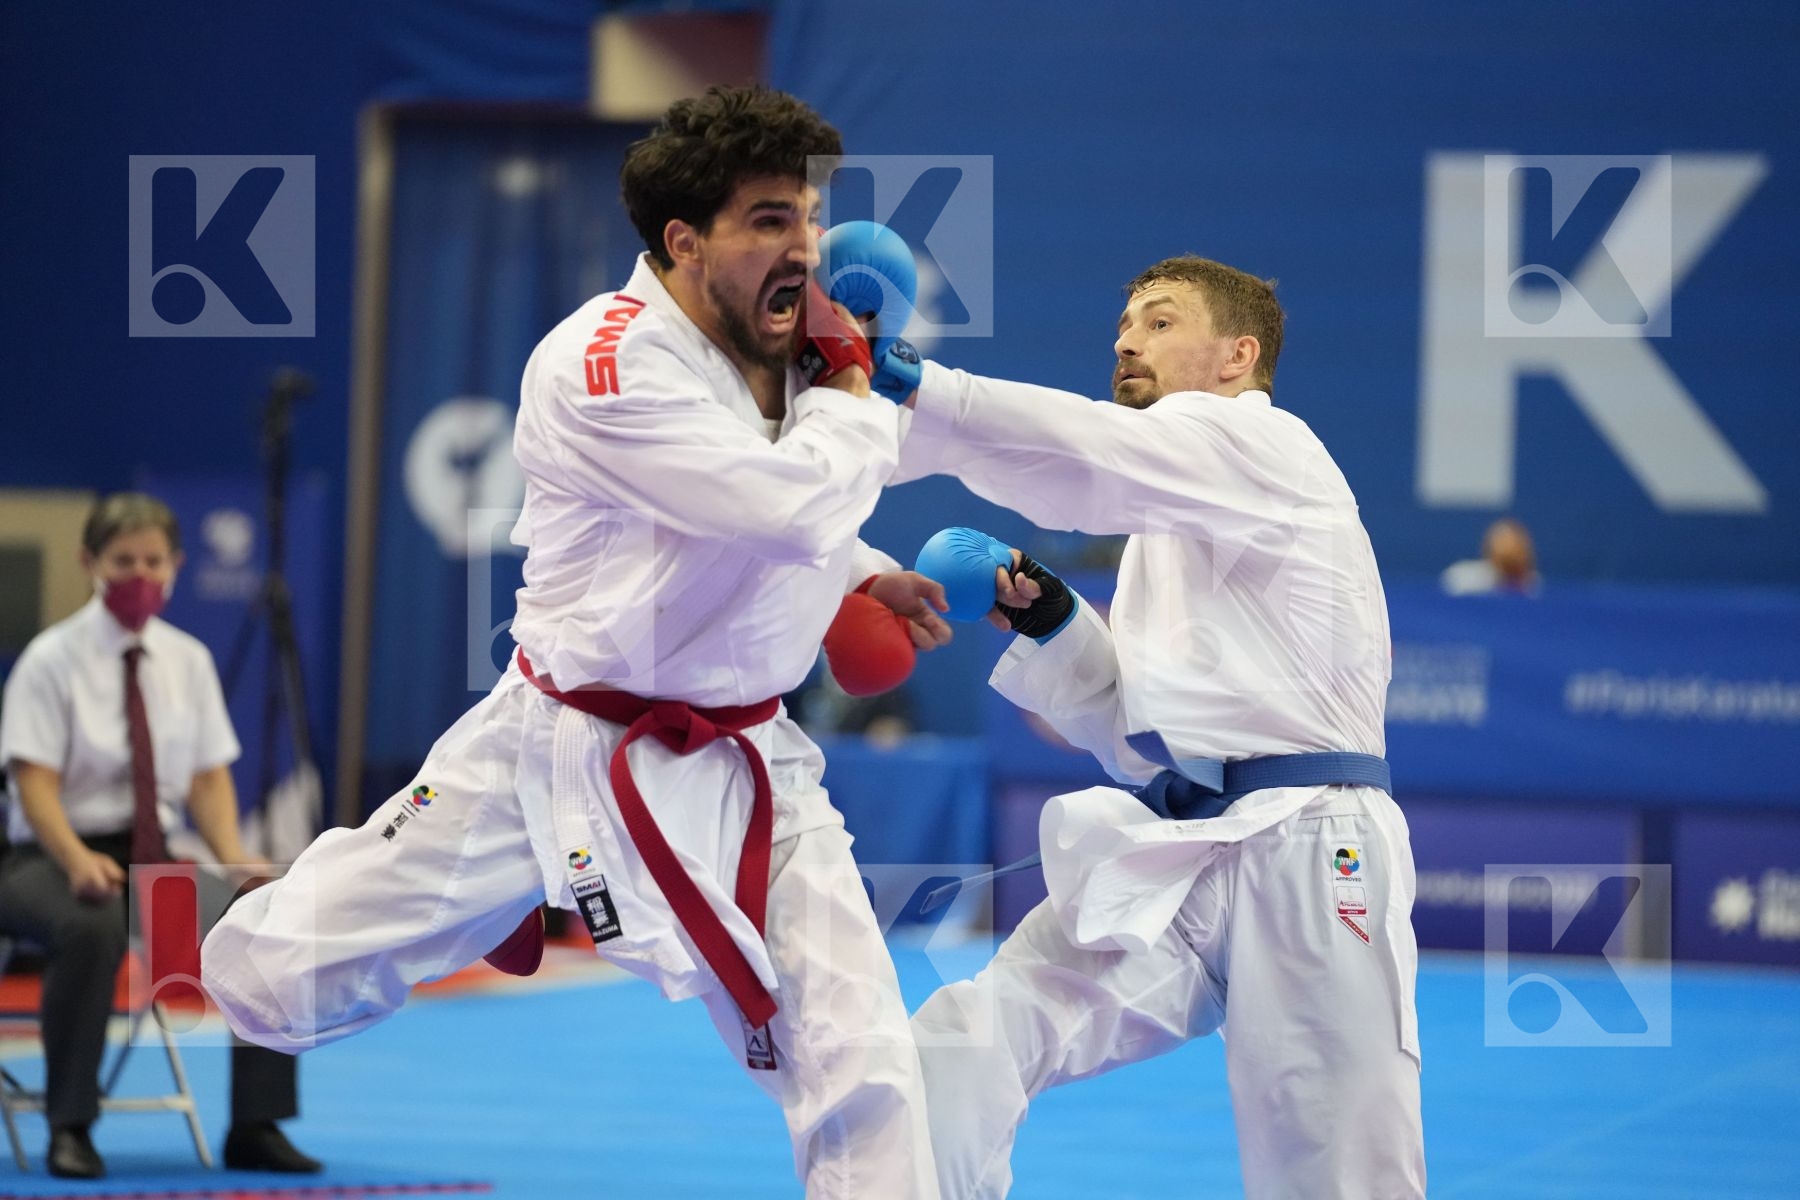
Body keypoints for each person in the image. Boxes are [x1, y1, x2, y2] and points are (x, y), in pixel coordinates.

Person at [201, 86, 950, 1199]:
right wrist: (852, 387)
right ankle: (490, 893)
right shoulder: (602, 368)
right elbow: (781, 505)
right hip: (559, 751)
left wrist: (863, 566)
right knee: (276, 975)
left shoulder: (789, 344)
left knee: (864, 1058)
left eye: (805, 215)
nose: (805, 249)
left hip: (754, 768)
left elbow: (774, 525)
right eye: (767, 222)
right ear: (683, 242)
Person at [886, 255, 1425, 1198]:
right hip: (1188, 850)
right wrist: (1056, 623)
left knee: (1334, 1163)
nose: (1127, 339)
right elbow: (1135, 736)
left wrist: (920, 390)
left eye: (1162, 322)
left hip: (1313, 845)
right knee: (967, 1044)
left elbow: (1082, 457)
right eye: (1125, 323)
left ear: (1236, 356)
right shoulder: (1163, 519)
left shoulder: (1266, 446)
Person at [0, 493, 319, 1178]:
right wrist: (77, 858)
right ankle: (72, 1126)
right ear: (90, 563)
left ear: (175, 566)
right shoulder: (49, 660)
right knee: (92, 926)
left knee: (262, 918)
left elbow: (207, 779)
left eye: (153, 561)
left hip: (153, 861)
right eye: (123, 561)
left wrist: (235, 860)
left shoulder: (189, 661)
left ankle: (256, 1125)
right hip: (45, 857)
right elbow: (35, 783)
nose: (139, 575)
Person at [1441, 516, 1541, 595]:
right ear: (1489, 549)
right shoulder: (1465, 577)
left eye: (1516, 546)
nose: (1508, 551)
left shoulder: (1532, 585)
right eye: (1502, 543)